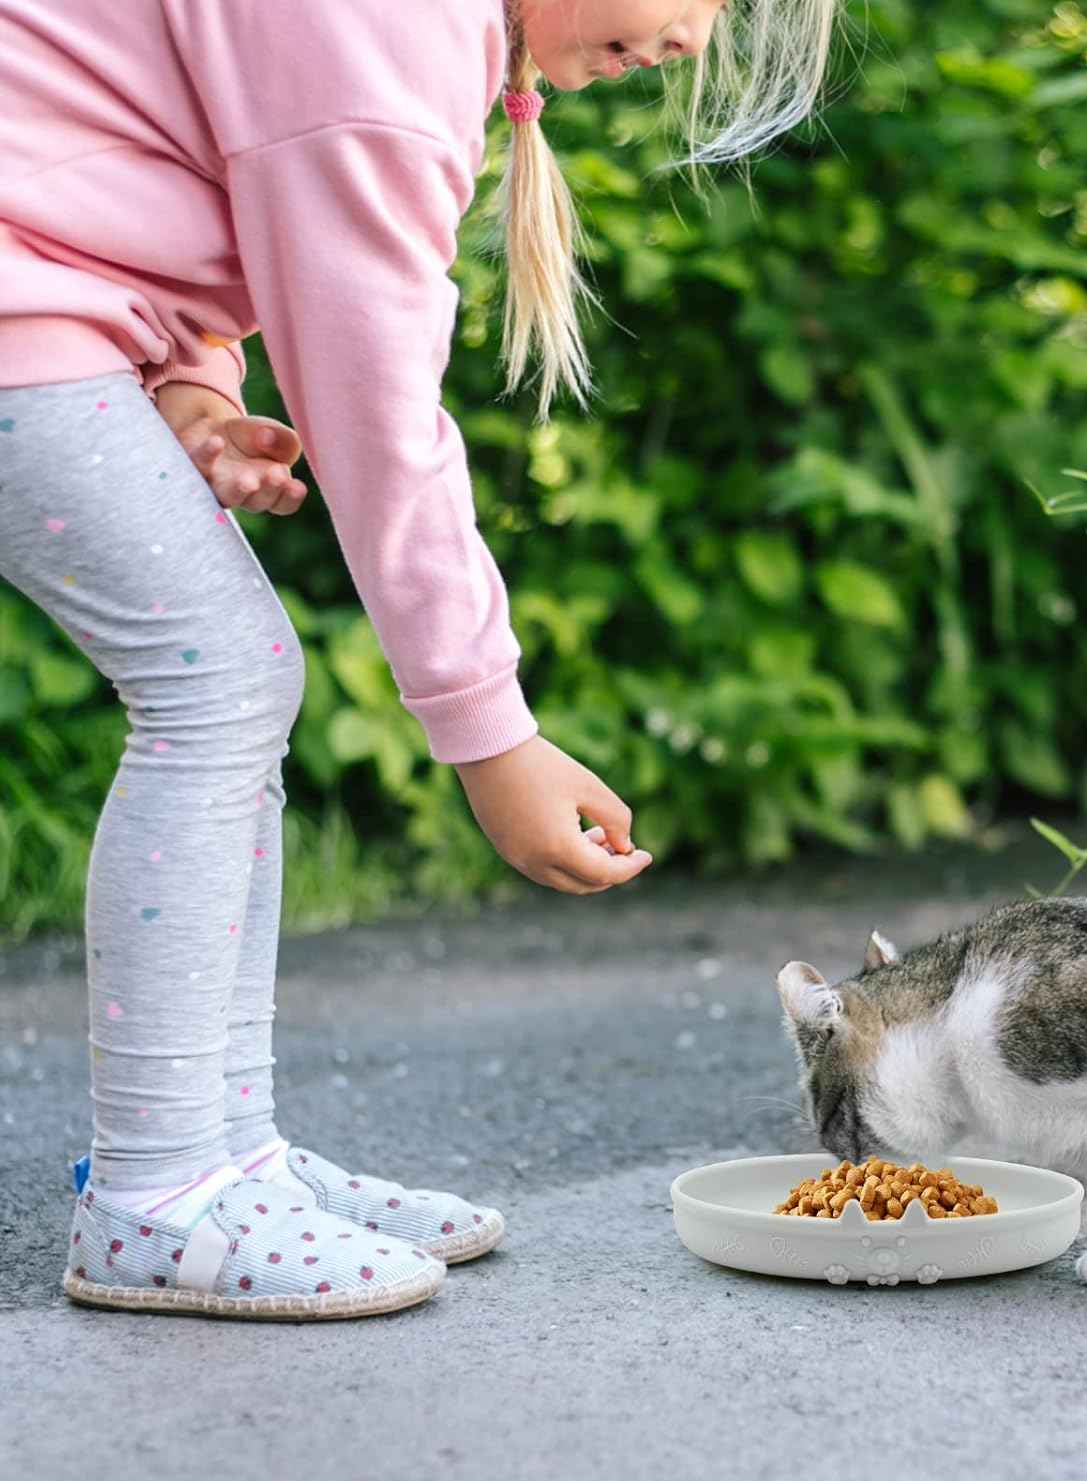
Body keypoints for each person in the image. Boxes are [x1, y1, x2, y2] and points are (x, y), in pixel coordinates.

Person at [0, 0, 835, 1319]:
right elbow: (375, 413)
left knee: (231, 683)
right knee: (218, 681)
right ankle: (157, 1200)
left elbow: (135, 151)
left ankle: (228, 1162)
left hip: (51, 297)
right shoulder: (393, 26)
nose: (695, 35)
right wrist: (488, 733)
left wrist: (197, 389)